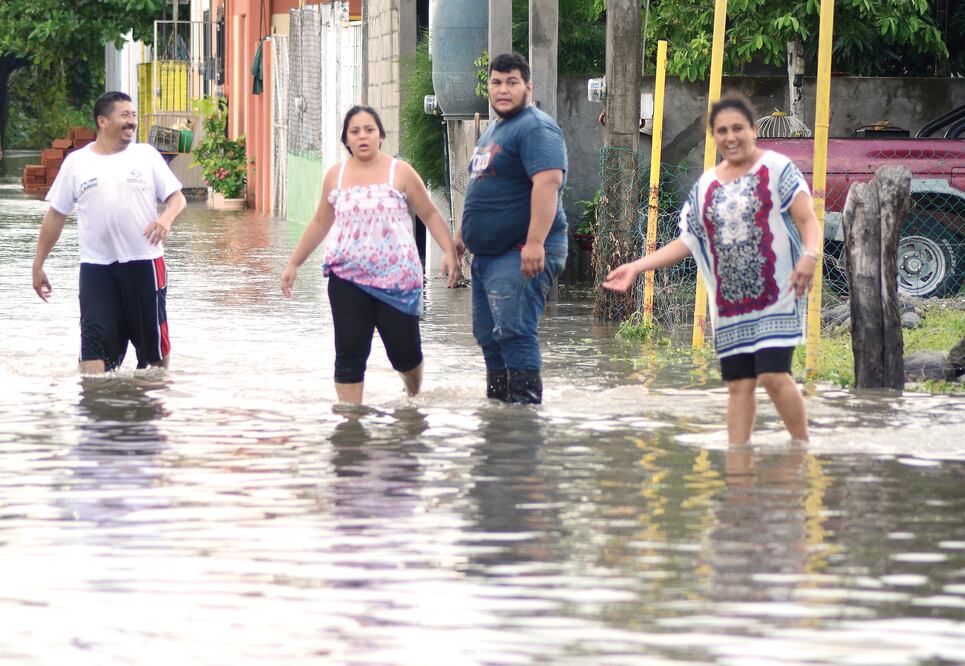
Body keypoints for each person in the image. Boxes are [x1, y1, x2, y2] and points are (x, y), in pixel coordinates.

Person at [603, 95, 821, 444]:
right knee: (739, 385)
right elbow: (688, 241)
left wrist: (810, 256)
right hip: (730, 307)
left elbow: (807, 219)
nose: (730, 137)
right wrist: (636, 267)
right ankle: (738, 465)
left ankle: (801, 447)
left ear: (752, 130)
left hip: (776, 293)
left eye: (738, 128)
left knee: (773, 376)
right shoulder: (706, 186)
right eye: (722, 131)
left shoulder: (778, 169)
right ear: (714, 137)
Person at [280, 105, 460, 405]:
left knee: (405, 354)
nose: (362, 136)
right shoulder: (335, 178)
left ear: (380, 135)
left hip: (398, 280)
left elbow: (428, 213)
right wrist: (294, 263)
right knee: (349, 353)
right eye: (355, 131)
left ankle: (413, 395)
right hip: (346, 277)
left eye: (369, 130)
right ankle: (350, 424)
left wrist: (450, 254)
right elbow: (320, 222)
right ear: (346, 139)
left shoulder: (400, 172)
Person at [32, 91, 186, 373]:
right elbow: (55, 215)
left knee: (153, 364)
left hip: (144, 263)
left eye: (134, 115)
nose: (132, 122)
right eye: (125, 115)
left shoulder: (146, 156)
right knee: (92, 363)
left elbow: (178, 199)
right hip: (96, 269)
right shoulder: (77, 163)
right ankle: (97, 413)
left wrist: (165, 219)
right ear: (102, 121)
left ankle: (154, 411)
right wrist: (38, 264)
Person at [457, 52, 568, 405]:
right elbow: (480, 187)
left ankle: (523, 421)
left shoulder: (535, 126)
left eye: (512, 82)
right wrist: (461, 236)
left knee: (515, 331)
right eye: (496, 82)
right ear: (488, 87)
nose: (503, 89)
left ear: (527, 86)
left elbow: (548, 183)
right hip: (488, 255)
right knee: (489, 336)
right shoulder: (492, 131)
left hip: (521, 250)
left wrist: (535, 242)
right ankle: (500, 416)